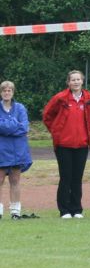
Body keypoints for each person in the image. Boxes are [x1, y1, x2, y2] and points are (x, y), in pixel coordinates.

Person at [43, 70, 90, 219]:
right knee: (66, 177)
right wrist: (56, 131)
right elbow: (47, 115)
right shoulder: (60, 98)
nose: (76, 82)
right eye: (73, 80)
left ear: (82, 81)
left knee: (77, 177)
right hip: (63, 145)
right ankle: (64, 210)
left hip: (82, 145)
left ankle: (77, 209)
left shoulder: (89, 99)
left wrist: (88, 131)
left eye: (78, 79)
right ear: (68, 82)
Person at [0, 81, 32, 220]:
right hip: (1, 149)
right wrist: (14, 125)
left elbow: (24, 127)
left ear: (13, 92)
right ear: (1, 92)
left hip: (18, 149)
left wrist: (5, 128)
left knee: (15, 180)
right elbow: (16, 127)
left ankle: (15, 212)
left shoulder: (20, 108)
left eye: (9, 90)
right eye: (4, 90)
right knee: (0, 179)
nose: (7, 93)